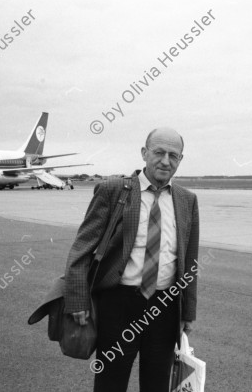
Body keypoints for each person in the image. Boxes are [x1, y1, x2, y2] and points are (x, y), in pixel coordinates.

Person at [64, 128, 200, 392]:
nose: (165, 161)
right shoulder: (113, 191)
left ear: (180, 160)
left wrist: (188, 312)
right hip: (119, 304)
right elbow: (82, 248)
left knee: (157, 384)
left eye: (173, 155)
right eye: (159, 152)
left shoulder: (187, 200)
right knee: (110, 383)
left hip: (165, 307)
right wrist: (77, 300)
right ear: (144, 153)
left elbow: (190, 262)